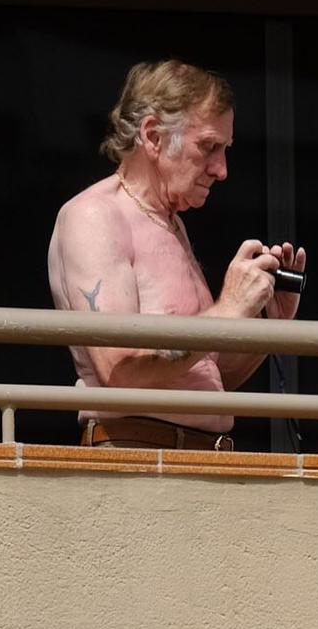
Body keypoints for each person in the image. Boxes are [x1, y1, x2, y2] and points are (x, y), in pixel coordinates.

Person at [47, 59, 304, 450]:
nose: (222, 170)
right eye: (209, 147)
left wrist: (268, 324)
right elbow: (121, 370)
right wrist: (228, 311)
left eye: (225, 149)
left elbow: (207, 375)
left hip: (195, 458)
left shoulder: (171, 224)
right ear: (153, 136)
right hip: (140, 458)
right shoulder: (96, 215)